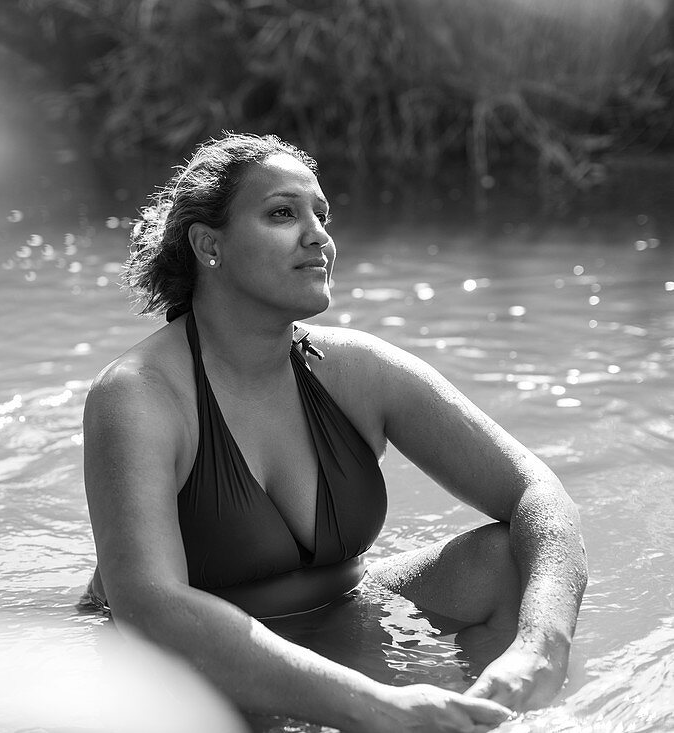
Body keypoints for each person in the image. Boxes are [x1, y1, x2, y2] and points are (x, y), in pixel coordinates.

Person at [80, 132, 587, 732]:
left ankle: (498, 716)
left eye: (321, 214)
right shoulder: (138, 394)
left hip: (341, 620)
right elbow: (150, 609)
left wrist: (539, 647)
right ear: (208, 245)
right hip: (194, 672)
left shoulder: (357, 371)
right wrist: (377, 705)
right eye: (282, 214)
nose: (318, 236)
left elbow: (536, 492)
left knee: (507, 558)